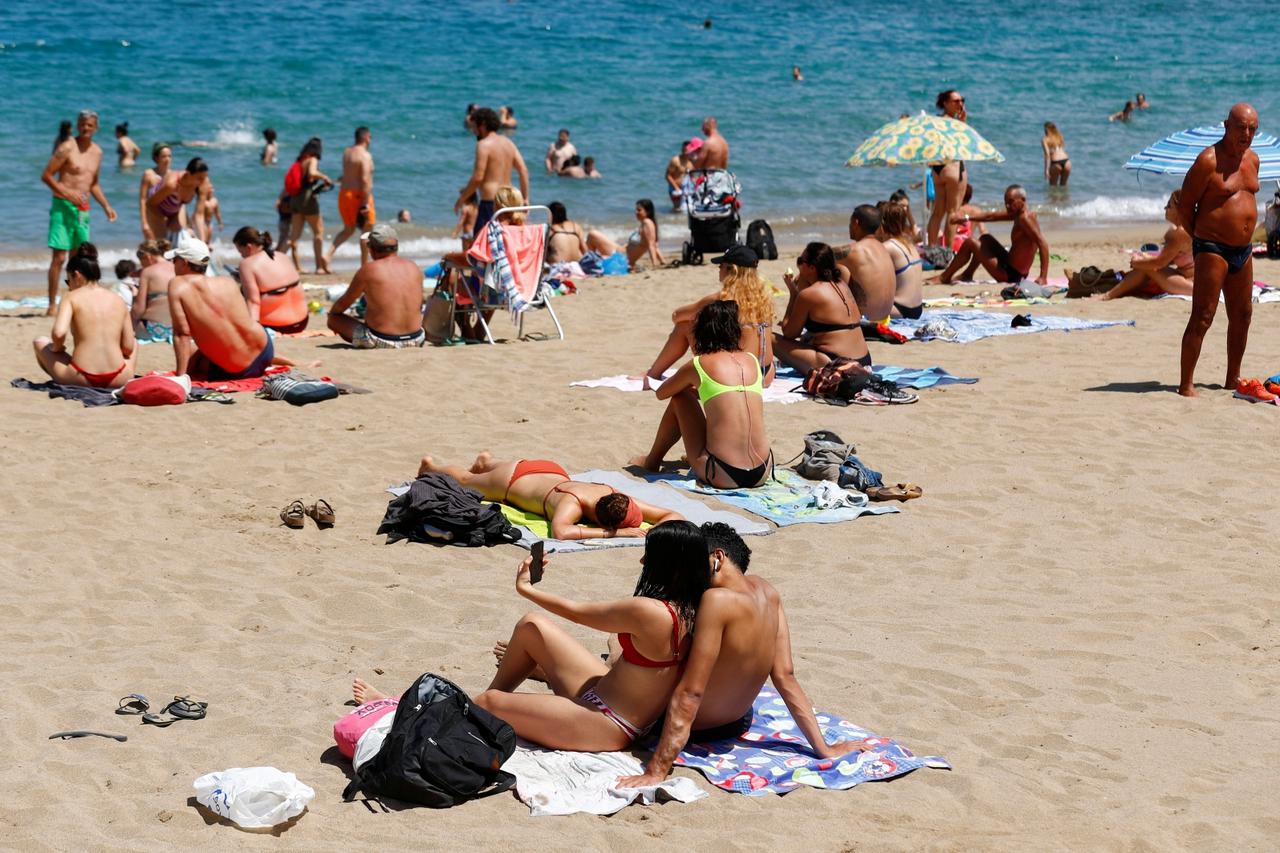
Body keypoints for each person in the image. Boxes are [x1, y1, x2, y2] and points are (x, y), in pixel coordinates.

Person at [355, 522, 708, 751]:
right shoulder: (695, 607)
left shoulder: (649, 611)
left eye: (652, 555)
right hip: (603, 694)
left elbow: (578, 611)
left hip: (609, 724)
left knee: (491, 701)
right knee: (532, 627)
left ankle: (399, 708)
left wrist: (525, 587)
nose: (643, 560)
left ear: (669, 564)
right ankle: (485, 711)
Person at [616, 522, 869, 787]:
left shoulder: (716, 600)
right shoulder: (768, 591)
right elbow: (785, 676)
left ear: (718, 557)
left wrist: (657, 769)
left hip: (697, 730)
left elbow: (691, 692)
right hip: (738, 722)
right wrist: (824, 748)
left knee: (622, 648)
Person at [634, 300, 773, 489]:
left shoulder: (700, 364)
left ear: (703, 330)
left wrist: (691, 388)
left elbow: (662, 393)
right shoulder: (751, 361)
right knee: (718, 404)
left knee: (680, 398)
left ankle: (652, 461)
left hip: (722, 473)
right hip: (762, 472)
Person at [1178, 103, 1261, 398]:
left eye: (1252, 128)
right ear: (1226, 126)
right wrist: (1201, 240)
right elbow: (1184, 205)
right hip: (1212, 247)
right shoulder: (1208, 161)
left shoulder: (1253, 160)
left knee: (1243, 314)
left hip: (1244, 250)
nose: (1246, 134)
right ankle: (1186, 383)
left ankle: (1232, 378)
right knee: (1203, 315)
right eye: (1241, 127)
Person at [417, 452, 683, 540]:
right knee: (466, 481)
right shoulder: (573, 504)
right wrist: (615, 534)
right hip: (513, 482)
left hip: (548, 470)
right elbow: (561, 532)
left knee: (486, 472)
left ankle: (487, 462)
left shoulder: (615, 496)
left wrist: (656, 531)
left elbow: (672, 515)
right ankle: (431, 467)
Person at [640, 243, 775, 386]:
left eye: (720, 266)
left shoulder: (722, 297)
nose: (718, 270)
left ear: (731, 270)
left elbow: (676, 316)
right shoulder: (764, 298)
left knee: (684, 326)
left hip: (741, 376)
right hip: (765, 374)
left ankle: (653, 374)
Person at [168, 239, 277, 380]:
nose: (173, 265)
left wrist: (181, 377)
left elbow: (182, 334)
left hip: (238, 369)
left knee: (195, 359)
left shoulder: (178, 285)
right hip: (266, 350)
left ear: (185, 262)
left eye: (174, 260)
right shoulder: (227, 281)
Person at [42, 110, 116, 316]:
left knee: (78, 258)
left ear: (96, 128)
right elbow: (46, 176)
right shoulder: (67, 147)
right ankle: (51, 304)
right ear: (77, 125)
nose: (85, 128)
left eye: (90, 125)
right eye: (82, 124)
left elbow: (93, 184)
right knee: (59, 257)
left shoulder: (98, 152)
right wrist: (68, 194)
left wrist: (106, 206)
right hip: (62, 207)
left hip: (83, 211)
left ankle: (73, 299)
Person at [33, 244, 136, 389]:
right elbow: (128, 347)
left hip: (83, 377)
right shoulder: (117, 299)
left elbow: (59, 333)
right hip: (119, 377)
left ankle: (59, 379)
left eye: (68, 281)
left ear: (77, 275)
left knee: (40, 341)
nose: (69, 286)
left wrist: (57, 348)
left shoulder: (71, 297)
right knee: (135, 342)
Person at [775, 241, 871, 371]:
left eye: (801, 261)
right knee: (807, 338)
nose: (798, 266)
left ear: (812, 268)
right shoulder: (842, 284)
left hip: (836, 364)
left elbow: (789, 333)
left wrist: (793, 294)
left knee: (767, 338)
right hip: (864, 360)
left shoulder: (808, 294)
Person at [327, 224, 425, 348]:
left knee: (334, 319)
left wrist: (332, 314)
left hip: (382, 340)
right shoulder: (414, 267)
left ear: (371, 249)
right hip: (417, 338)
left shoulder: (368, 270)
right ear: (396, 247)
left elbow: (342, 305)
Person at [931, 185, 1050, 286]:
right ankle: (967, 274)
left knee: (970, 242)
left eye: (1011, 202)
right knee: (985, 238)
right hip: (1010, 265)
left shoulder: (1025, 218)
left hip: (1011, 274)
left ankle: (944, 277)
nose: (1008, 206)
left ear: (1022, 200)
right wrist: (965, 218)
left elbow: (1042, 244)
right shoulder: (1018, 213)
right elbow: (991, 216)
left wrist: (1043, 277)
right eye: (1006, 203)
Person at [1094, 191, 1193, 301]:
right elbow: (1168, 260)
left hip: (1191, 285)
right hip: (1185, 279)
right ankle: (1116, 291)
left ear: (1180, 210)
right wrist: (1145, 259)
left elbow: (1159, 263)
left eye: (1169, 206)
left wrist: (1137, 262)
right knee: (1146, 263)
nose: (1165, 208)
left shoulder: (1180, 232)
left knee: (1146, 267)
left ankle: (1107, 296)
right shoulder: (1187, 228)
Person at [457, 108, 530, 239]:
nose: (473, 131)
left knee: (482, 246)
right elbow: (523, 170)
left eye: (474, 127)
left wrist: (461, 200)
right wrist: (525, 198)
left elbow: (478, 177)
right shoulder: (509, 143)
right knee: (507, 242)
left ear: (482, 125)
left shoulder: (483, 145)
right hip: (511, 202)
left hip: (491, 203)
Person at [235, 226, 307, 333]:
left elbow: (253, 301)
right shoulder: (282, 256)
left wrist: (251, 330)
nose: (242, 256)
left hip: (278, 325)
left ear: (249, 247)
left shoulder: (246, 264)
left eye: (241, 253)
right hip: (302, 322)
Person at [324, 127, 376, 269]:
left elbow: (346, 176)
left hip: (344, 194)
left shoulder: (347, 153)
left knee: (348, 229)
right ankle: (364, 265)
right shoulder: (365, 155)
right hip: (358, 196)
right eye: (370, 137)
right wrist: (365, 204)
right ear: (366, 138)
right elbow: (365, 179)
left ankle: (328, 254)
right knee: (367, 229)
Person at [281, 138, 335, 274]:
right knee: (318, 233)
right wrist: (325, 177)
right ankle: (319, 267)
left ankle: (280, 262)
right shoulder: (312, 160)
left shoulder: (300, 161)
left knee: (293, 237)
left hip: (295, 199)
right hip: (308, 199)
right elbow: (312, 173)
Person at [836, 204, 896, 323]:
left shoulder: (855, 250)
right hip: (884, 321)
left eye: (850, 223)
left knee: (838, 269)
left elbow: (816, 257)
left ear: (856, 222)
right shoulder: (884, 248)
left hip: (864, 324)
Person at [926, 90, 969, 247]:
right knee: (953, 212)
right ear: (945, 103)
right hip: (953, 167)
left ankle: (931, 250)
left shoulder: (936, 121)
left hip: (937, 169)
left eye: (962, 100)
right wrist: (963, 123)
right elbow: (964, 145)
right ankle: (948, 252)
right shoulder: (954, 123)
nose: (960, 104)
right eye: (956, 101)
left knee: (937, 212)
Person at [585, 199, 664, 272]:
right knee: (593, 238)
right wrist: (662, 262)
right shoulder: (646, 224)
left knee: (592, 234)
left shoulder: (647, 223)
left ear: (648, 211)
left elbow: (651, 245)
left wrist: (655, 264)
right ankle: (590, 262)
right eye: (636, 210)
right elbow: (654, 245)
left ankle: (588, 263)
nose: (636, 212)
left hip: (620, 257)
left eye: (639, 210)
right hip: (620, 252)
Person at [146, 157, 209, 244]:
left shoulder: (203, 184)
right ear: (188, 173)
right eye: (199, 178)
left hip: (176, 208)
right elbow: (150, 204)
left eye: (205, 177)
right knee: (163, 246)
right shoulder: (172, 184)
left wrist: (203, 242)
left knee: (181, 244)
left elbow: (199, 215)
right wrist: (163, 223)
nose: (203, 181)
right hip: (156, 209)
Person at [880, 202, 924, 318]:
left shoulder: (887, 246)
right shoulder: (909, 243)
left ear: (882, 223)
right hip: (917, 310)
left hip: (900, 309)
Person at [131, 239, 174, 337]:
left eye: (142, 262)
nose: (142, 266)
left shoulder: (147, 272)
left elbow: (139, 309)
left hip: (154, 329)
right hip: (177, 328)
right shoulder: (177, 268)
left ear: (148, 256)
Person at [138, 144, 174, 241]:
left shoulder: (173, 176)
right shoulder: (149, 174)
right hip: (152, 220)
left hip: (169, 221)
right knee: (152, 251)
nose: (167, 159)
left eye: (169, 156)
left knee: (168, 253)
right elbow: (142, 199)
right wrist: (144, 223)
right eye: (164, 156)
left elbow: (179, 202)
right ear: (156, 158)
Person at [666, 141, 695, 211]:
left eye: (687, 150)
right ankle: (673, 220)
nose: (685, 152)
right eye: (683, 150)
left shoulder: (692, 161)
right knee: (677, 208)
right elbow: (668, 176)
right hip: (675, 188)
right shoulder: (675, 160)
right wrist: (676, 188)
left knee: (688, 209)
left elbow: (692, 176)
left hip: (687, 189)